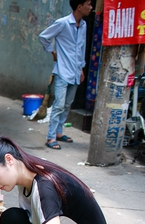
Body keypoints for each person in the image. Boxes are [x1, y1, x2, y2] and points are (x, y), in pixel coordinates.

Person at [39, 0, 93, 150]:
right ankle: (50, 137)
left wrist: (81, 68)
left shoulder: (83, 25)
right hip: (62, 70)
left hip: (75, 71)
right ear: (79, 6)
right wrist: (52, 51)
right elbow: (43, 37)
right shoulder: (62, 23)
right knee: (59, 105)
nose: (91, 7)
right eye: (88, 4)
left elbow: (81, 49)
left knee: (68, 104)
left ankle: (58, 132)